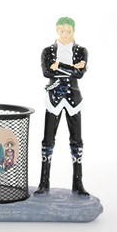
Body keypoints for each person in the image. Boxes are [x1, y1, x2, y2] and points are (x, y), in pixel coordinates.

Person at [35, 17, 89, 196]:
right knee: (48, 140)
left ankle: (78, 183)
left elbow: (79, 75)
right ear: (57, 30)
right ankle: (44, 182)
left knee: (77, 140)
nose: (66, 34)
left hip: (74, 98)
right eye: (62, 31)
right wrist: (73, 67)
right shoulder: (47, 51)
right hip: (53, 98)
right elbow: (46, 72)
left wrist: (58, 66)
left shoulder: (81, 51)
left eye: (69, 31)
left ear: (74, 31)